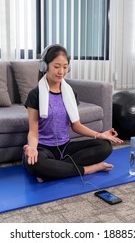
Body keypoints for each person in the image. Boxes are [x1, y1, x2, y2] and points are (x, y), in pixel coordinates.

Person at [23, 44, 123, 182]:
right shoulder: (35, 94)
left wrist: (99, 135)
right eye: (56, 66)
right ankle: (89, 169)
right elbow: (33, 132)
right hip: (43, 148)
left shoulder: (70, 93)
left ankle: (53, 171)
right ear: (45, 66)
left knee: (105, 146)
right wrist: (32, 148)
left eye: (65, 67)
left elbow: (76, 125)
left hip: (65, 148)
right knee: (33, 162)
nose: (61, 72)